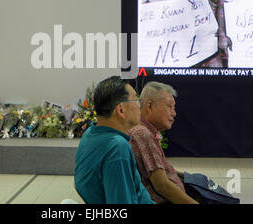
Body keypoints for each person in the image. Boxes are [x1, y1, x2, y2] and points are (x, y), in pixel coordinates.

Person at [74, 76, 154, 204]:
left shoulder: (90, 133)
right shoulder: (117, 147)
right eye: (136, 100)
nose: (140, 105)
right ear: (121, 109)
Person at [129, 82, 199, 204]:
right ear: (149, 106)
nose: (174, 113)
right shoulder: (142, 134)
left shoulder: (144, 131)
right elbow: (162, 185)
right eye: (169, 107)